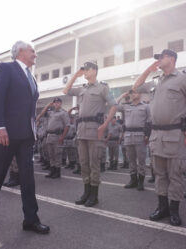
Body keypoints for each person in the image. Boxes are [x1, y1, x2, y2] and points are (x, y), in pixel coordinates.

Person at [0, 41, 49, 234]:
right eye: (32, 50)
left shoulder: (31, 78)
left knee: (28, 178)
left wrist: (33, 132)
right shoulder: (6, 68)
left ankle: (31, 219)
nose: (35, 54)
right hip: (6, 135)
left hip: (26, 136)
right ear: (20, 52)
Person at [132, 49, 186, 226]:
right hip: (157, 135)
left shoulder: (184, 79)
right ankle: (162, 207)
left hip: (176, 135)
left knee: (175, 176)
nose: (158, 60)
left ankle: (174, 210)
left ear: (171, 58)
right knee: (160, 175)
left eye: (161, 57)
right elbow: (136, 87)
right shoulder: (155, 81)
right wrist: (149, 70)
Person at [63, 61, 118, 207]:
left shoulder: (103, 88)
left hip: (95, 131)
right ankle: (86, 192)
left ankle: (94, 195)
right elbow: (65, 90)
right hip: (81, 131)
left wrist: (105, 125)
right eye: (84, 70)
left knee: (94, 164)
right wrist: (76, 75)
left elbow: (114, 106)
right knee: (84, 164)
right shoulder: (82, 89)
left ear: (94, 71)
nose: (85, 72)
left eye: (86, 70)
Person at [116, 89, 151, 190]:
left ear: (140, 94)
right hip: (128, 135)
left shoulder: (146, 106)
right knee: (131, 160)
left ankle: (141, 182)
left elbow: (149, 121)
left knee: (141, 160)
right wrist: (122, 95)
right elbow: (114, 105)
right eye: (131, 93)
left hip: (140, 135)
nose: (133, 95)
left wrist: (147, 135)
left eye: (135, 92)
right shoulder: (126, 106)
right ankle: (133, 180)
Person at [36, 97, 70, 179]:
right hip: (49, 136)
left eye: (58, 102)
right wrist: (47, 106)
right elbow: (40, 115)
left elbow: (67, 126)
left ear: (61, 103)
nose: (56, 104)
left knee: (57, 155)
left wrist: (62, 137)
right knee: (51, 155)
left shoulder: (63, 113)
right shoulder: (51, 113)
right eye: (55, 102)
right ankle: (52, 171)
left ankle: (57, 173)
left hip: (57, 136)